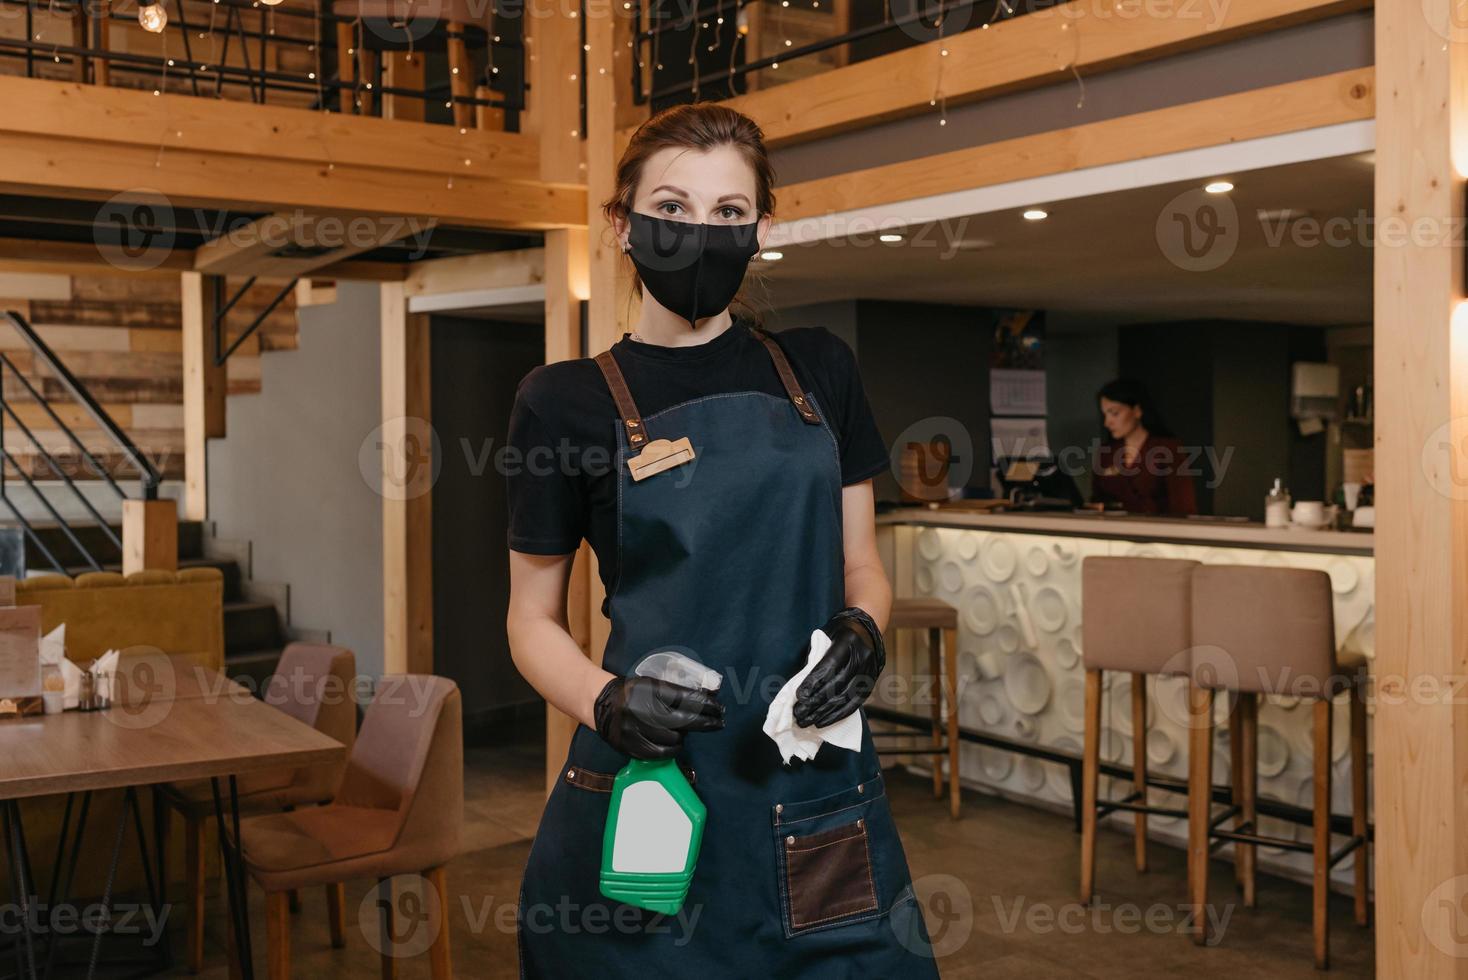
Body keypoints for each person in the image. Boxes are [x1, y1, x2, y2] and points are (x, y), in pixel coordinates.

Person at [504, 103, 940, 976]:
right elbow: (529, 621)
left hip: (812, 791)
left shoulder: (820, 370)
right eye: (671, 208)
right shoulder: (564, 402)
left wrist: (864, 629)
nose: (699, 233)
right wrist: (605, 702)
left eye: (728, 214)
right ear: (623, 223)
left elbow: (863, 565)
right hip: (651, 791)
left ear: (761, 230)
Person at [1090, 378, 1198, 516]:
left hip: (1158, 531)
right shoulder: (1106, 453)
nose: (1107, 422)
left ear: (1136, 410)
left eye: (1114, 413)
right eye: (1105, 414)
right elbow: (1096, 502)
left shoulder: (1168, 448)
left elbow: (1183, 505)